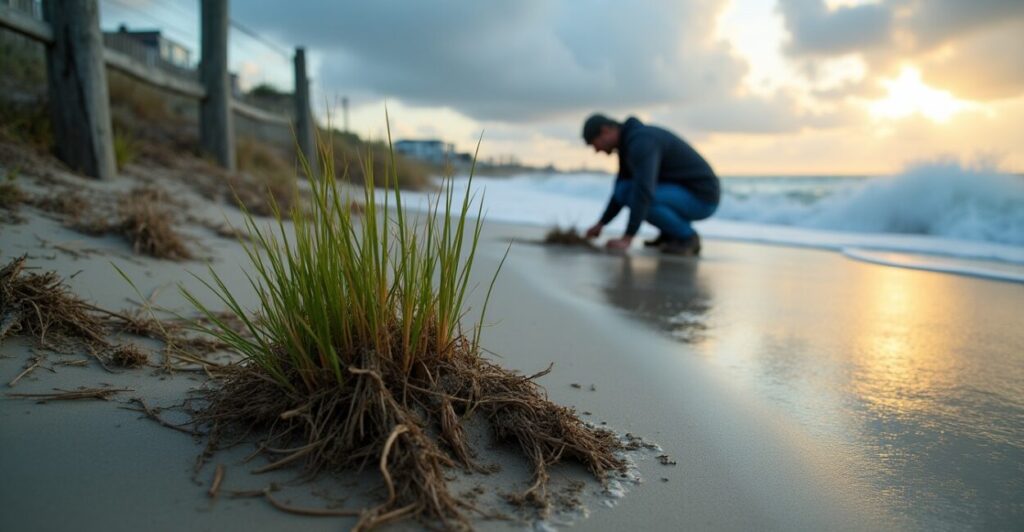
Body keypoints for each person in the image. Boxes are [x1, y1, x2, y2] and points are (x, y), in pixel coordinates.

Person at [582, 113, 719, 255]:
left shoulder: (642, 141)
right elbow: (620, 191)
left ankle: (687, 238)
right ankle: (670, 234)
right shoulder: (628, 144)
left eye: (594, 143)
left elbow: (643, 190)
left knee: (638, 197)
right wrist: (601, 223)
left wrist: (627, 238)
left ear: (605, 131)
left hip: (702, 198)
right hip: (679, 192)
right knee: (624, 190)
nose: (596, 150)